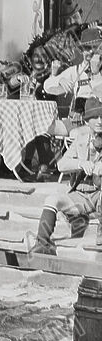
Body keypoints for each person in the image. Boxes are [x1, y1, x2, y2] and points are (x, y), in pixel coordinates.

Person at [30, 97, 102, 255]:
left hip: (99, 196)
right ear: (87, 120)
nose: (99, 121)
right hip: (81, 195)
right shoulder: (82, 139)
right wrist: (81, 163)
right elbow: (61, 165)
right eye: (95, 117)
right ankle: (42, 244)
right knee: (52, 200)